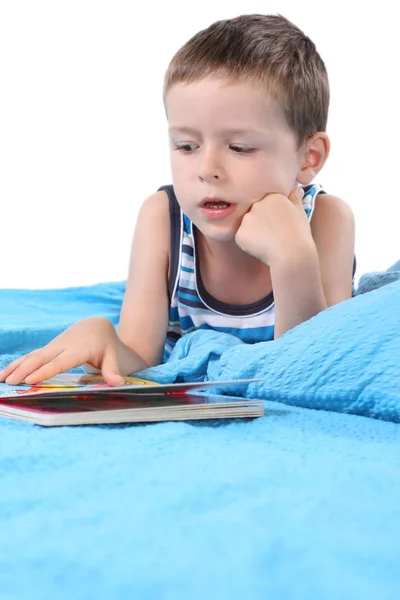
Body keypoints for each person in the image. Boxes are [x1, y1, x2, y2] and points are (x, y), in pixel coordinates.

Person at [0, 13, 355, 387]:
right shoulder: (163, 217)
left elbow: (312, 372)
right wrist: (104, 340)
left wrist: (294, 259)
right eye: (186, 146)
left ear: (309, 157)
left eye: (240, 147)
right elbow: (140, 357)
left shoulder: (327, 221)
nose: (207, 169)